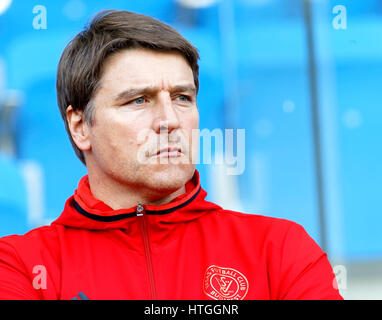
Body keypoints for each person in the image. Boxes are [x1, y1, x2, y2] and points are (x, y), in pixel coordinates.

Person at [0, 10, 342, 300]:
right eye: (139, 100)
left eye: (182, 98)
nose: (170, 121)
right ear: (80, 127)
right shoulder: (21, 267)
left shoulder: (279, 250)